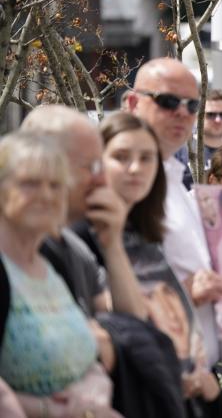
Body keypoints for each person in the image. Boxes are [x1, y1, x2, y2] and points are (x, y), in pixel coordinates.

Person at [95, 112, 221, 409]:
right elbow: (125, 326)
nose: (135, 168)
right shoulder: (83, 236)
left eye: (147, 158)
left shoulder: (148, 232)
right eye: (121, 157)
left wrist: (207, 386)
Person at [0, 132, 119, 418]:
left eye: (55, 185)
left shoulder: (51, 267)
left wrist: (96, 389)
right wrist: (51, 410)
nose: (46, 195)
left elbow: (86, 358)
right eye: (30, 183)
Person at [127, 57, 222, 368]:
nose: (182, 113)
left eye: (192, 105)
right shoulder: (125, 187)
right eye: (168, 101)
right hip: (155, 374)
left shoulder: (177, 184)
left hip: (197, 375)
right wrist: (185, 293)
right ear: (133, 103)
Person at [21, 105, 146, 321]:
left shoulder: (74, 249)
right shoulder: (12, 250)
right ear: (42, 164)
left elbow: (136, 322)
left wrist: (113, 246)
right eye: (91, 167)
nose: (102, 180)